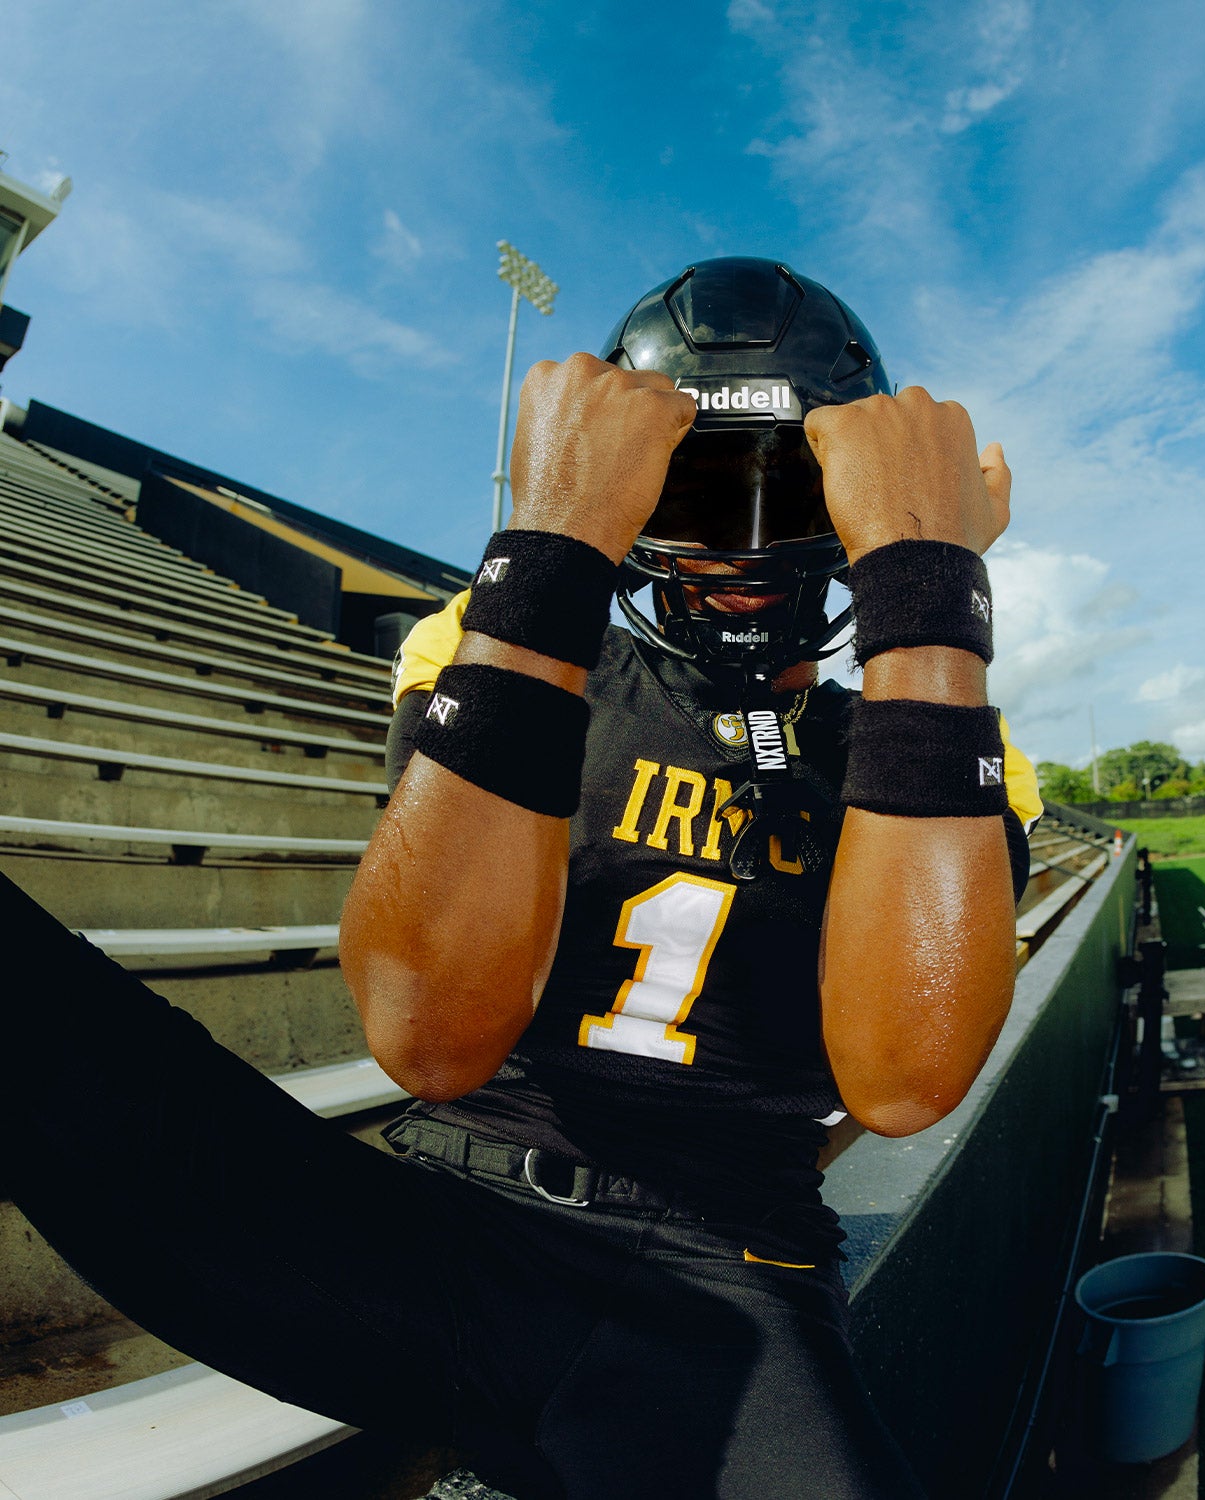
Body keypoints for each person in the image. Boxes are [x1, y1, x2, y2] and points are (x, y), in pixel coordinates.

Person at [1, 257, 1041, 1498]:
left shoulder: (940, 744)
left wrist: (926, 600)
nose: (750, 546)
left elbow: (908, 1080)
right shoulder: (503, 647)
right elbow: (431, 1040)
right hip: (434, 1223)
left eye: (799, 488)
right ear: (628, 487)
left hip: (726, 1278)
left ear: (865, 501)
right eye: (703, 488)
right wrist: (551, 555)